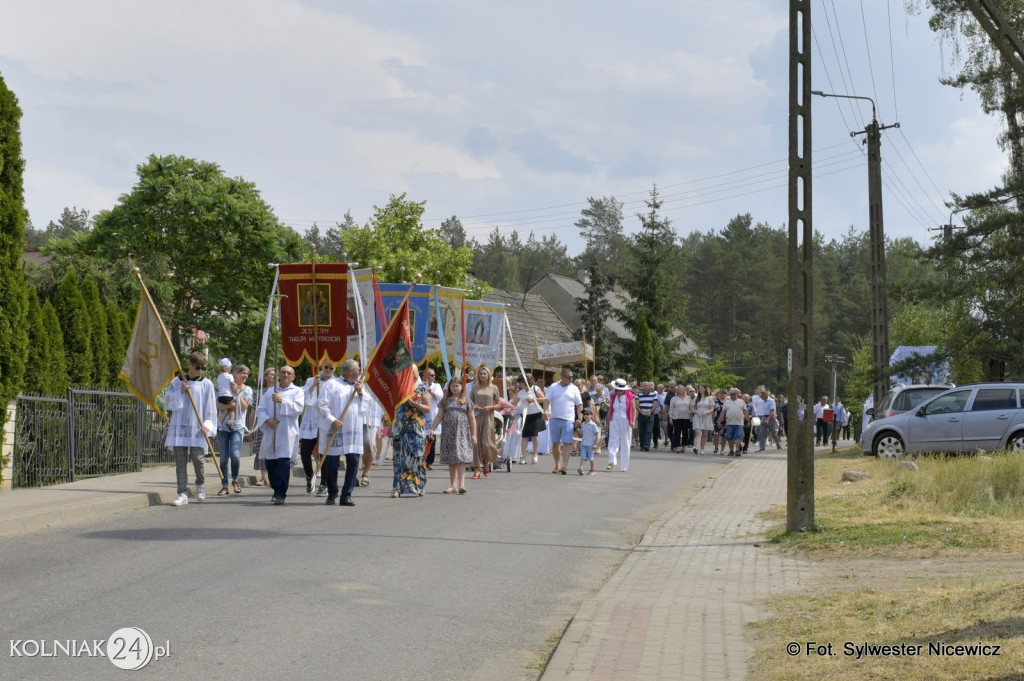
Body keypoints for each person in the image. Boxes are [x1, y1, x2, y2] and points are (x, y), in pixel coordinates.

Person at [166, 352, 217, 507]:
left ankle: (200, 484)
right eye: (197, 367)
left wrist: (208, 424)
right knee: (180, 462)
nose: (199, 371)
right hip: (180, 426)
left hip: (197, 427)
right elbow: (168, 402)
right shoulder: (176, 382)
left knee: (198, 459)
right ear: (190, 364)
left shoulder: (206, 384)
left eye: (202, 368)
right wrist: (180, 391)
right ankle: (182, 492)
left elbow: (211, 409)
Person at [318, 359, 364, 506]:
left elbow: (368, 405)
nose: (359, 372)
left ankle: (346, 495)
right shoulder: (331, 384)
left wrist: (361, 392)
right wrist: (332, 419)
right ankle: (332, 492)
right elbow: (322, 405)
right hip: (336, 428)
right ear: (350, 372)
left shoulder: (360, 386)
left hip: (353, 430)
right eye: (358, 370)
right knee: (331, 463)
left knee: (353, 462)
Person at [255, 366, 304, 504]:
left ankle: (281, 493)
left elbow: (299, 408)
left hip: (287, 431)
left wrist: (282, 401)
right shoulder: (271, 391)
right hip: (272, 430)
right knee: (270, 463)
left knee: (283, 463)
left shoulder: (297, 391)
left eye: (289, 373)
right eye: (283, 372)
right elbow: (260, 409)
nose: (286, 375)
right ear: (279, 375)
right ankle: (275, 489)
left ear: (293, 377)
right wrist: (267, 420)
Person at [430, 376, 476, 494]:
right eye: (453, 386)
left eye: (457, 386)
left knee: (461, 458)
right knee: (452, 459)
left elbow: (472, 419)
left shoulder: (466, 400)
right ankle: (452, 485)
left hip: (462, 433)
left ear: (461, 387)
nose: (455, 388)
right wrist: (432, 429)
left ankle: (462, 484)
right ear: (449, 387)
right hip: (448, 433)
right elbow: (439, 416)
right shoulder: (445, 400)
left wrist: (474, 434)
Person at [391, 365, 431, 497]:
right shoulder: (400, 386)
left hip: (416, 427)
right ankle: (396, 488)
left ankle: (419, 486)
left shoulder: (422, 387)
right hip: (401, 426)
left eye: (410, 371)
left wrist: (417, 405)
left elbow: (428, 408)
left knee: (417, 457)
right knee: (399, 458)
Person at [215, 363, 252, 496]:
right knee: (224, 457)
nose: (245, 376)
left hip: (237, 426)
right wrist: (230, 404)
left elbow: (243, 407)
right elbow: (217, 404)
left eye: (246, 374)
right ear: (234, 374)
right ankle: (224, 485)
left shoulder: (247, 389)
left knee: (235, 455)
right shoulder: (224, 386)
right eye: (242, 373)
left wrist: (238, 393)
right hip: (223, 427)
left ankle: (235, 480)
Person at [300, 362, 335, 496]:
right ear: (322, 367)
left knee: (323, 454)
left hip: (325, 420)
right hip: (311, 420)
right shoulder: (311, 380)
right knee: (304, 452)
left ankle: (324, 484)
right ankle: (309, 476)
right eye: (326, 367)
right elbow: (303, 398)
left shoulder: (335, 383)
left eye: (331, 368)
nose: (328, 370)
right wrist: (314, 386)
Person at [546, 368, 583, 475]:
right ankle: (557, 465)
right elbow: (547, 400)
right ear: (562, 377)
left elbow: (579, 404)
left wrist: (579, 418)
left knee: (567, 443)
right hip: (554, 418)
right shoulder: (553, 387)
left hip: (568, 419)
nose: (571, 379)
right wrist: (545, 411)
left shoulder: (574, 389)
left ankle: (564, 466)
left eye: (572, 377)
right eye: (568, 377)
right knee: (555, 443)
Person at [469, 366, 501, 479]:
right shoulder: (474, 388)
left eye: (484, 374)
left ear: (488, 375)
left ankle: (486, 463)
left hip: (488, 417)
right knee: (476, 443)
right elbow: (469, 403)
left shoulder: (494, 388)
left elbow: (499, 404)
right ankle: (477, 469)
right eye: (480, 374)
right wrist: (474, 406)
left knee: (486, 443)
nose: (482, 375)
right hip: (476, 417)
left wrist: (490, 407)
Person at [605, 378, 637, 471]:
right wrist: (607, 424)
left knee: (625, 442)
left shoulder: (630, 396)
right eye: (618, 389)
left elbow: (634, 410)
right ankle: (611, 462)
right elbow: (611, 410)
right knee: (613, 440)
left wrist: (633, 421)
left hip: (626, 419)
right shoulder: (613, 396)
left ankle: (624, 466)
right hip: (614, 418)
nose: (619, 391)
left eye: (621, 390)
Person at [514, 375, 546, 465]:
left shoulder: (535, 388)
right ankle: (523, 457)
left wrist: (533, 400)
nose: (519, 384)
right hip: (525, 416)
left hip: (536, 414)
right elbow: (514, 403)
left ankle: (535, 454)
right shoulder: (521, 392)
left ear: (525, 382)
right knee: (524, 436)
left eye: (521, 382)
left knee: (534, 435)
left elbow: (543, 398)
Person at [253, 367, 276, 487]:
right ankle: (263, 477)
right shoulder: (259, 393)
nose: (273, 377)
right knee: (261, 450)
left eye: (275, 375)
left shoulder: (280, 391)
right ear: (266, 377)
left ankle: (274, 474)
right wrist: (250, 429)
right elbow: (254, 411)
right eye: (271, 374)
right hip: (261, 425)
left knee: (275, 450)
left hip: (276, 426)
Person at [422, 368, 444, 469]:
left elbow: (438, 397)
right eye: (431, 375)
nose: (433, 377)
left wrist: (429, 389)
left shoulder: (437, 386)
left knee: (432, 439)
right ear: (425, 376)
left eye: (434, 375)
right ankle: (422, 460)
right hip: (422, 414)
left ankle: (429, 462)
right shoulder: (419, 384)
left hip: (433, 415)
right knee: (422, 439)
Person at [718, 388, 749, 456]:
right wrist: (719, 421)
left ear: (737, 394)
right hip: (729, 423)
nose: (732, 395)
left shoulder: (741, 402)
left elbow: (745, 412)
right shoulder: (726, 402)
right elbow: (723, 413)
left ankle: (737, 450)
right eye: (731, 394)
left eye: (733, 394)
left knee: (738, 437)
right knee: (730, 438)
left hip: (739, 423)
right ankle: (731, 451)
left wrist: (748, 420)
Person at [578, 408, 601, 475]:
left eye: (587, 414)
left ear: (591, 415)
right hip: (583, 444)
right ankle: (581, 469)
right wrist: (577, 429)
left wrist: (595, 444)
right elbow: (582, 434)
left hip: (590, 444)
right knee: (582, 457)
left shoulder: (593, 425)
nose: (585, 415)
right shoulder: (583, 424)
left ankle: (592, 469)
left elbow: (597, 435)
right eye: (584, 414)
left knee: (591, 458)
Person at [636, 381, 657, 452]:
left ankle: (647, 445)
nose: (645, 386)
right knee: (641, 430)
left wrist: (650, 412)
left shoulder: (654, 394)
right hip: (641, 414)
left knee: (648, 430)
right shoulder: (638, 394)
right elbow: (637, 405)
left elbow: (655, 405)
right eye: (644, 385)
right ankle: (642, 445)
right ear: (642, 386)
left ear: (650, 387)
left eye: (646, 385)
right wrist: (642, 412)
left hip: (650, 414)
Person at [668, 385, 690, 452]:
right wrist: (670, 418)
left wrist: (692, 411)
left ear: (684, 390)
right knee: (677, 432)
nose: (680, 391)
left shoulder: (688, 398)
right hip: (676, 417)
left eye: (681, 389)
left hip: (686, 417)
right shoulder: (674, 398)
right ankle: (677, 446)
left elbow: (692, 406)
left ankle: (683, 446)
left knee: (685, 432)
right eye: (679, 389)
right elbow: (671, 409)